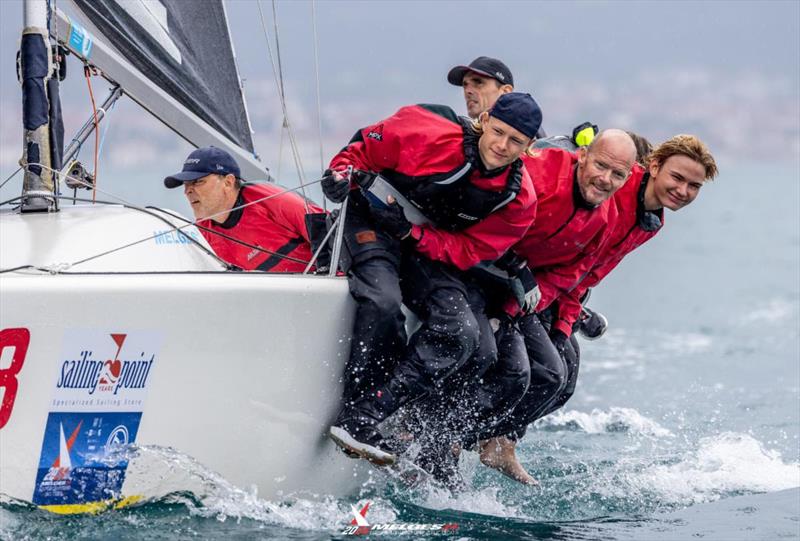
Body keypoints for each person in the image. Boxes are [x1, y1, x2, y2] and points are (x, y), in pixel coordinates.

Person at [480, 134, 718, 484]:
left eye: (693, 186)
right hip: (526, 283)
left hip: (559, 293)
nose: (682, 190)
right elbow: (572, 258)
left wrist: (564, 324)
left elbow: (590, 274)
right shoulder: (615, 190)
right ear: (653, 167)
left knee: (566, 375)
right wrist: (522, 305)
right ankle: (470, 436)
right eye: (677, 178)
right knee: (549, 372)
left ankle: (502, 440)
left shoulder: (651, 220)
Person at [321, 93, 542, 465]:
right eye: (499, 132)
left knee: (462, 333)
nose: (502, 146)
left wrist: (412, 235)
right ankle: (354, 411)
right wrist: (337, 174)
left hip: (422, 246)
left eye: (516, 141)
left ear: (529, 146)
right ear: (485, 120)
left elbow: (469, 250)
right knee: (383, 301)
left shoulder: (518, 200)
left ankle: (370, 414)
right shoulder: (426, 130)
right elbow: (360, 151)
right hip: (370, 221)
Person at [164, 146, 323, 272]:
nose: (187, 191)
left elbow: (333, 237)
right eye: (186, 185)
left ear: (228, 182)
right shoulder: (202, 236)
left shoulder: (271, 200)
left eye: (197, 182)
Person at [447, 56, 514, 119]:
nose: (467, 91)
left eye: (478, 82)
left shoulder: (521, 129)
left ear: (505, 92)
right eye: (465, 85)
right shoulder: (454, 129)